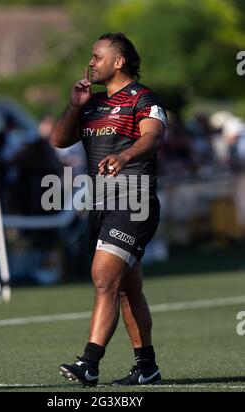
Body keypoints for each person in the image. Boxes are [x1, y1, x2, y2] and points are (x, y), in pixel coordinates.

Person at [51, 33, 167, 386]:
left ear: (119, 62)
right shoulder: (91, 103)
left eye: (97, 56)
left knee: (104, 277)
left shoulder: (142, 98)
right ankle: (147, 367)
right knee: (125, 288)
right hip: (100, 205)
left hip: (133, 200)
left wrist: (126, 155)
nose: (91, 62)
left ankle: (89, 363)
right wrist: (74, 105)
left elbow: (154, 135)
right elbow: (58, 140)